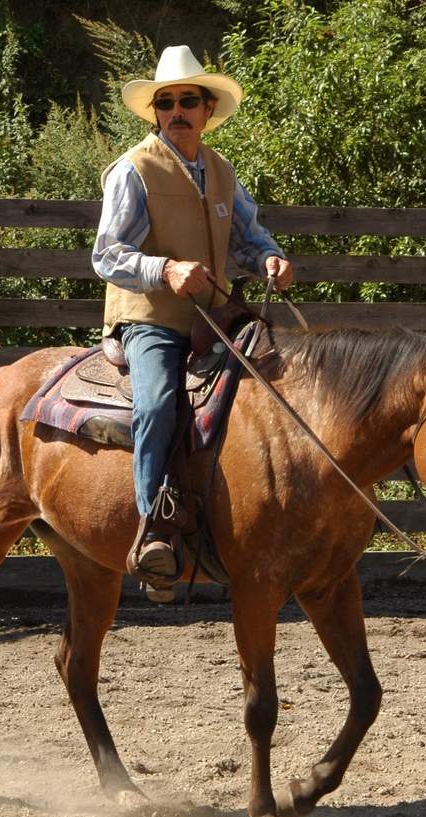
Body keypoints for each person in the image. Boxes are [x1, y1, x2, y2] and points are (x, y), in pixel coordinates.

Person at [92, 44, 295, 585]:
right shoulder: (132, 170)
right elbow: (106, 254)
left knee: (280, 384)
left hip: (215, 318)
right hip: (151, 319)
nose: (176, 111)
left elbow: (250, 237)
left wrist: (269, 258)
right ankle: (153, 526)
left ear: (207, 111)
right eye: (166, 103)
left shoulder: (223, 171)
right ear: (156, 112)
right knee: (157, 403)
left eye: (187, 101)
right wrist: (166, 270)